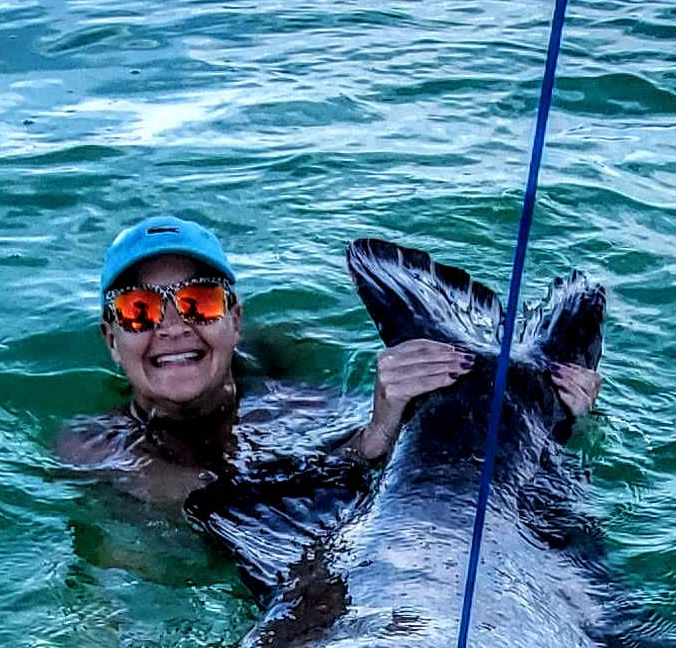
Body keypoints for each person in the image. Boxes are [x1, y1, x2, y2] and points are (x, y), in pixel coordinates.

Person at [57, 214, 599, 511]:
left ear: (235, 320)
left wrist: (543, 417)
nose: (172, 326)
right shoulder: (94, 449)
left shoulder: (295, 405)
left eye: (199, 302)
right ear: (111, 338)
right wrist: (374, 437)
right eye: (139, 311)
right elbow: (219, 502)